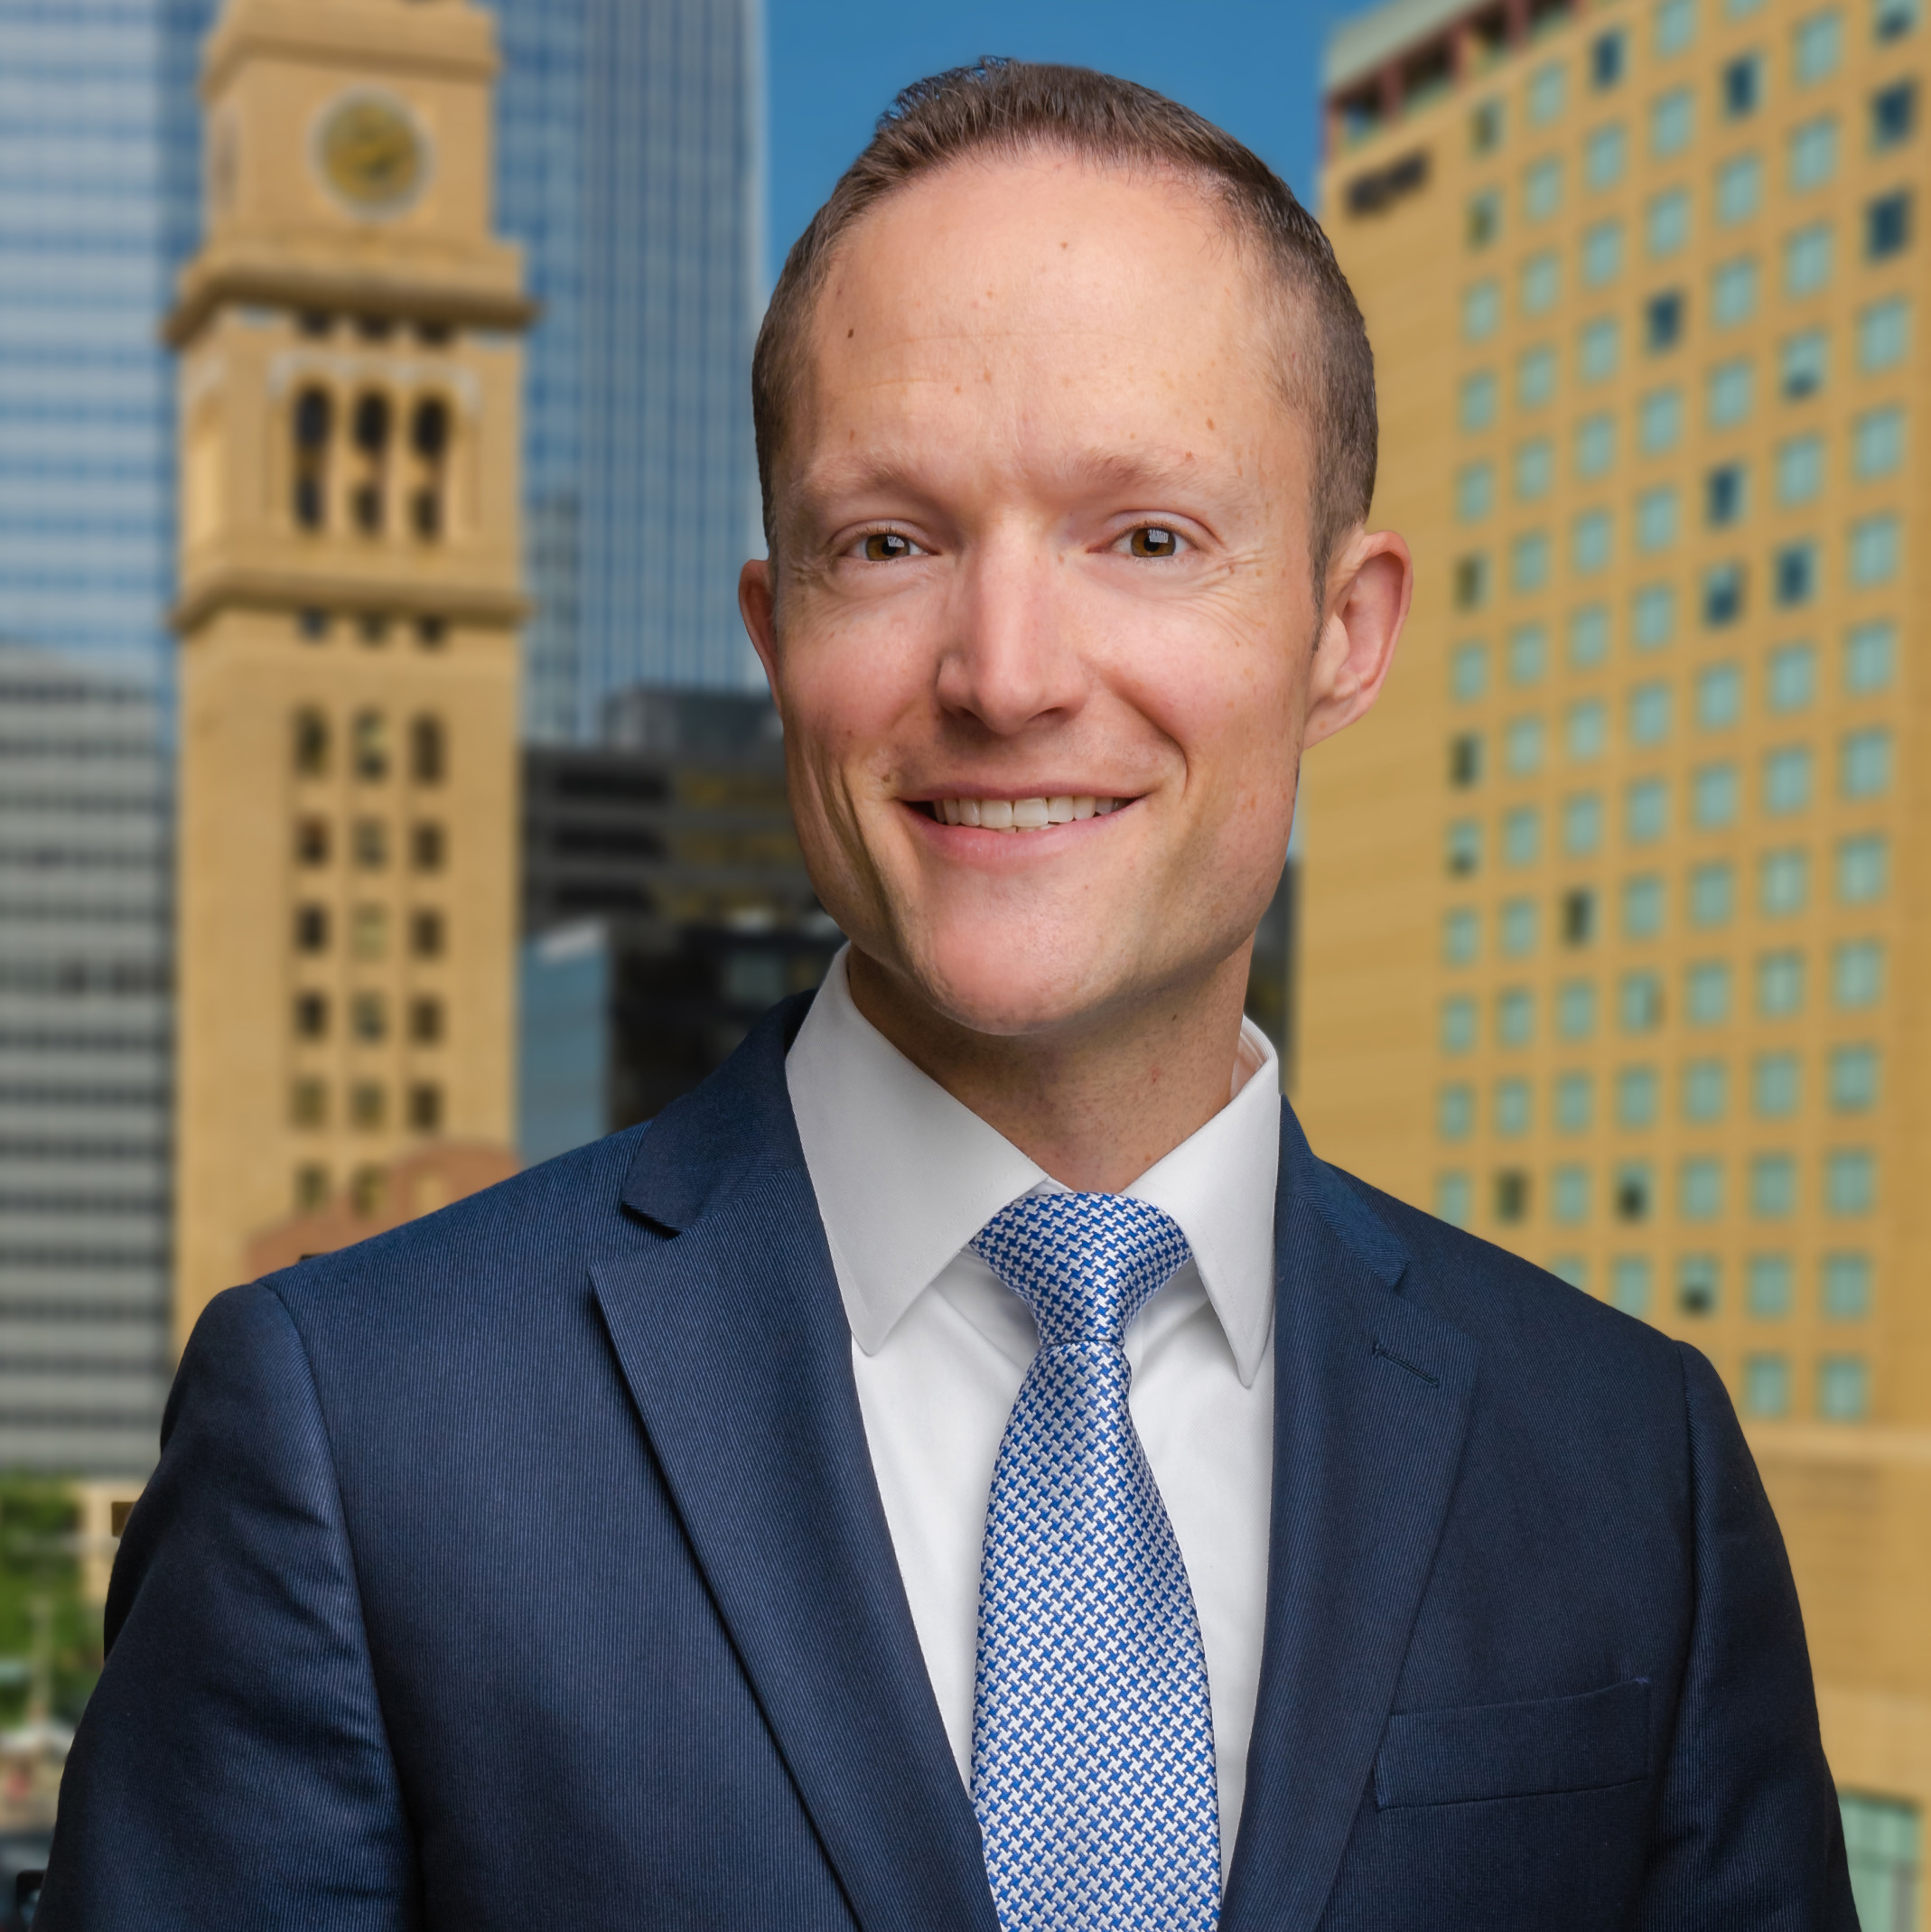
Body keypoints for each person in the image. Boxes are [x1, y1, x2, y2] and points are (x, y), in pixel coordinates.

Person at [42, 61, 1853, 1932]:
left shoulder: (1628, 1465)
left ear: (1343, 629)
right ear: (776, 637)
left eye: (1145, 537)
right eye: (889, 543)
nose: (1004, 673)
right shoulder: (355, 1430)